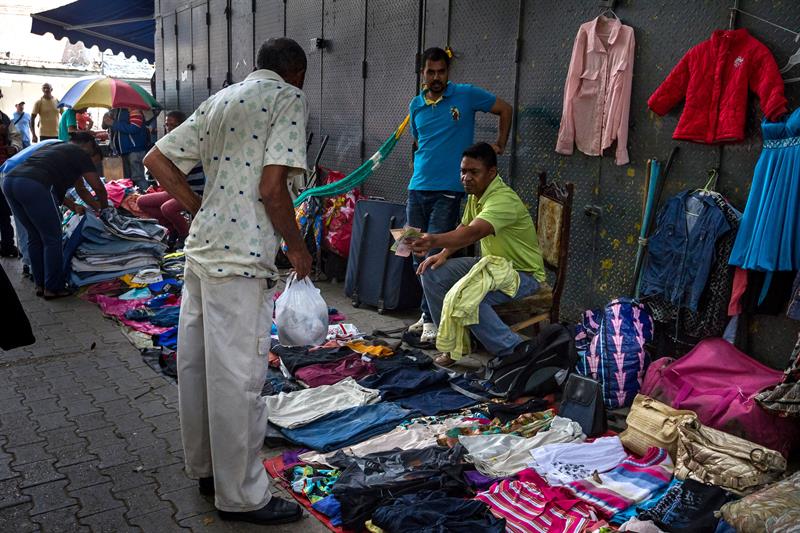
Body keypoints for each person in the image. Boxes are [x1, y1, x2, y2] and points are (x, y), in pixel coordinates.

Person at [143, 37, 311, 525]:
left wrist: (198, 209)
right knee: (237, 379)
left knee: (196, 368)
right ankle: (242, 496)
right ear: (296, 72)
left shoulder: (221, 99)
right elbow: (272, 187)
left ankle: (206, 469)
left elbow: (157, 159)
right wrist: (297, 248)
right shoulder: (288, 98)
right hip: (241, 259)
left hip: (200, 253)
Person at [406, 47, 513, 344]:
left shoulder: (465, 95)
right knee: (414, 249)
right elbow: (419, 141)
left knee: (434, 250)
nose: (436, 77)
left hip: (449, 190)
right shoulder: (416, 105)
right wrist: (419, 171)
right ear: (422, 73)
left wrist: (499, 144)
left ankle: (432, 320)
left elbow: (505, 109)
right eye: (431, 72)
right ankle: (426, 312)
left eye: (441, 72)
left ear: (448, 72)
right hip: (417, 188)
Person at [410, 142, 546, 367]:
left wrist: (433, 239)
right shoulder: (476, 195)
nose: (466, 177)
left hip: (522, 275)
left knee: (468, 297)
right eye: (463, 171)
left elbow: (472, 233)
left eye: (474, 172)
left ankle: (515, 351)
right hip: (489, 267)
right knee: (431, 272)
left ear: (492, 173)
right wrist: (442, 254)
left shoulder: (502, 200)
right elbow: (464, 227)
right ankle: (452, 346)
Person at [1, 132, 107, 299]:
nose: (92, 168)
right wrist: (106, 208)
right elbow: (98, 187)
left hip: (10, 181)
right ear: (91, 150)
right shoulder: (81, 155)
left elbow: (81, 190)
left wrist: (90, 206)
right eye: (95, 164)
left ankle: (40, 284)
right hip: (32, 183)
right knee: (53, 237)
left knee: (35, 236)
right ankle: (54, 287)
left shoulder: (59, 150)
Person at [137, 110, 204, 247]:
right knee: (142, 201)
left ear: (182, 125)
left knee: (167, 208)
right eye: (167, 125)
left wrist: (161, 172)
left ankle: (184, 236)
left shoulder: (187, 143)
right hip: (176, 188)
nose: (169, 128)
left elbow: (177, 176)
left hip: (192, 191)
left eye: (173, 125)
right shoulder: (170, 143)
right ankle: (172, 230)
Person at [0, 89, 23, 258]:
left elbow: (16, 137)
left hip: (2, 170)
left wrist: (13, 148)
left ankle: (7, 246)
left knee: (2, 210)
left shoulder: (5, 119)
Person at [106, 107, 150, 190]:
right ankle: (133, 197)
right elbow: (106, 126)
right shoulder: (115, 110)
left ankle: (147, 197)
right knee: (126, 180)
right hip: (123, 150)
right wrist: (107, 119)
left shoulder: (133, 109)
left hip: (134, 150)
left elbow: (135, 128)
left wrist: (113, 123)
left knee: (138, 178)